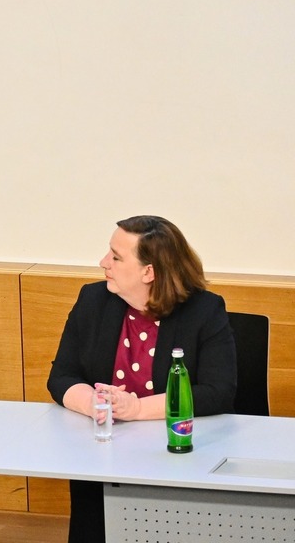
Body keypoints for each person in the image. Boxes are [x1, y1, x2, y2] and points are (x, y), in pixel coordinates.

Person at [47, 215, 236, 543]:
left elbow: (217, 392)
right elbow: (61, 376)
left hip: (177, 456)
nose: (103, 262)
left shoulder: (204, 310)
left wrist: (135, 409)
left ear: (149, 272)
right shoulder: (93, 300)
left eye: (116, 257)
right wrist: (95, 404)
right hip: (104, 454)